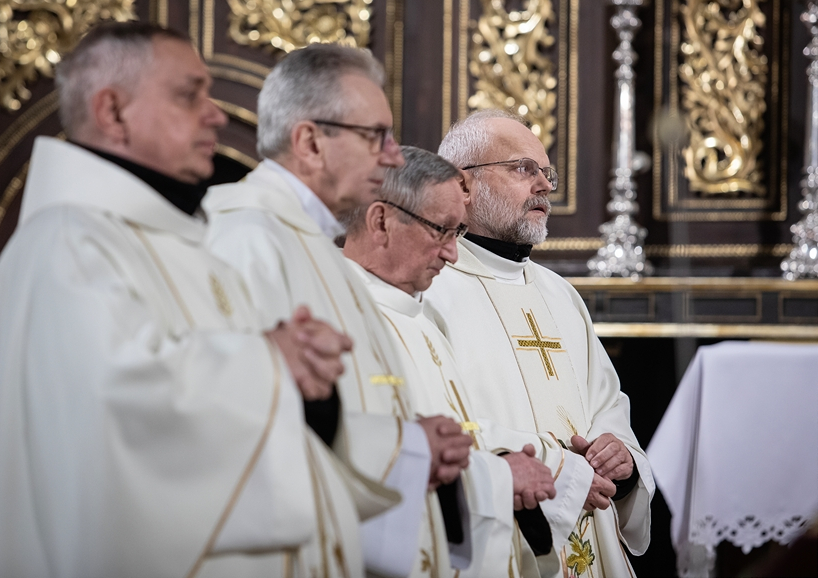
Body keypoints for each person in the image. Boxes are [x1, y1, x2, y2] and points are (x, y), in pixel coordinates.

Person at [0, 22, 392, 578]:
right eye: (188, 95)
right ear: (113, 112)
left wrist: (306, 384)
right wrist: (273, 363)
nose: (216, 115)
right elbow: (118, 419)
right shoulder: (68, 246)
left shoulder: (183, 244)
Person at [202, 44, 473, 577]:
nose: (392, 156)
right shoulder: (246, 238)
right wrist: (404, 447)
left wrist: (414, 445)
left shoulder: (314, 246)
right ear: (310, 143)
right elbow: (238, 426)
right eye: (376, 136)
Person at [425, 110, 655, 577]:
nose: (545, 186)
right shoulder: (430, 288)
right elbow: (435, 425)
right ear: (463, 183)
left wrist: (623, 460)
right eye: (523, 169)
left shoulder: (559, 293)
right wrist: (562, 470)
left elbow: (607, 405)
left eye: (546, 172)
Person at [343, 145, 583, 576]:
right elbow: (359, 465)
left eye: (458, 233)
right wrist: (501, 478)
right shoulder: (341, 318)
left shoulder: (417, 317)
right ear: (380, 222)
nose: (452, 254)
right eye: (442, 231)